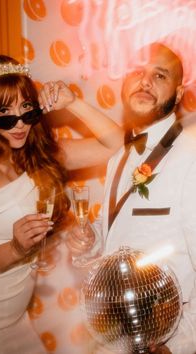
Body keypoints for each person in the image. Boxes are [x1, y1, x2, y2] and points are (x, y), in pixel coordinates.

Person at [0, 54, 124, 354]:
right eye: (5, 114)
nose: (20, 123)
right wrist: (14, 249)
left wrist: (73, 102)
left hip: (17, 322)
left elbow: (115, 144)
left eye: (27, 109)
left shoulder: (39, 157)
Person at [62, 42, 196, 354]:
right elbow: (116, 230)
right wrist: (89, 239)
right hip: (114, 334)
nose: (145, 81)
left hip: (168, 338)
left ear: (178, 95)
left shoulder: (191, 155)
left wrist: (179, 344)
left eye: (160, 76)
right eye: (137, 72)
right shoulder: (119, 155)